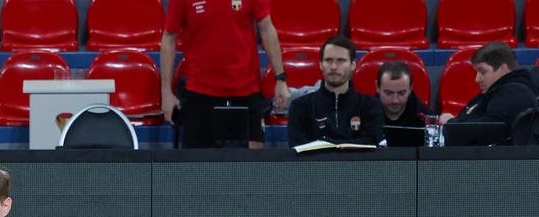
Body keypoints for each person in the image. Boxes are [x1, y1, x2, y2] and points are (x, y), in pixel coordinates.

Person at [160, 0, 288, 147]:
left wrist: (280, 78)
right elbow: (169, 38)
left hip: (246, 91)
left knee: (252, 165)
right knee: (198, 166)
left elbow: (266, 29)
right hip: (200, 94)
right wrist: (166, 93)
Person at [288, 37, 384, 147]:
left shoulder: (371, 105)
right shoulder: (300, 107)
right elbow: (297, 149)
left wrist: (326, 145)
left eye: (340, 61)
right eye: (328, 60)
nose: (333, 67)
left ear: (353, 65)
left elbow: (373, 144)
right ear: (320, 64)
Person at [444, 43, 539, 140]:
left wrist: (451, 123)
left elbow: (491, 130)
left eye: (483, 72)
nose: (477, 79)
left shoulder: (513, 93)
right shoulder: (499, 91)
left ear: (503, 68)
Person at [377, 60, 430, 132]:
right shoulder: (366, 114)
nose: (395, 100)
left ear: (410, 88)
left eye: (401, 93)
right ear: (377, 87)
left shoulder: (423, 116)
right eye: (389, 93)